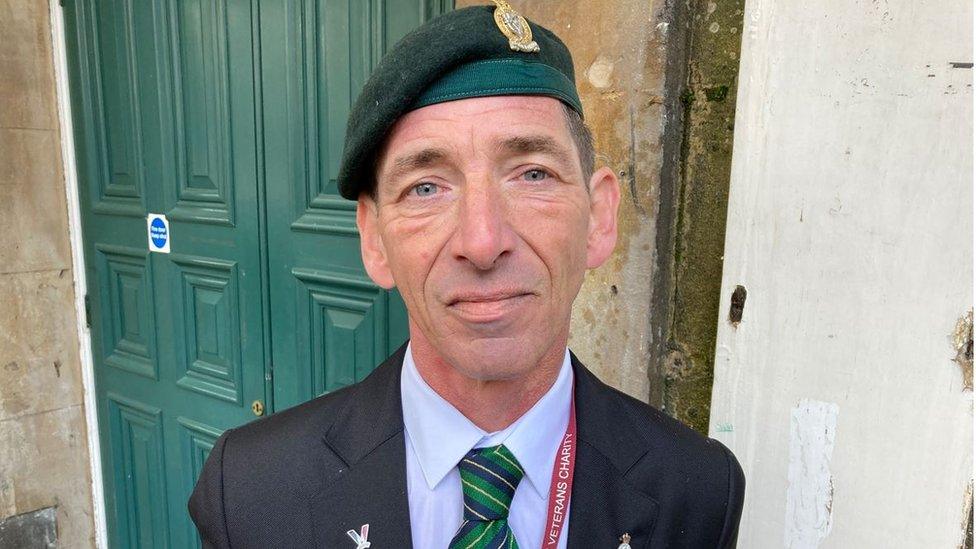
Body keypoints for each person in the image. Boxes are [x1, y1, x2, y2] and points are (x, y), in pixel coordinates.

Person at [189, 3, 744, 548]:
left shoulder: (698, 492)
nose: (482, 243)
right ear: (374, 239)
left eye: (533, 174)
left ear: (599, 217)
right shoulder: (250, 495)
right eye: (426, 187)